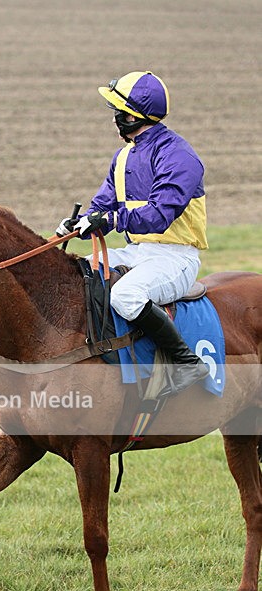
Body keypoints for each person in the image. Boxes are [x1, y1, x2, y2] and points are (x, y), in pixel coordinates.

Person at [57, 70, 209, 394]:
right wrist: (79, 224)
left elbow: (158, 217)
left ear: (133, 115)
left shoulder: (179, 156)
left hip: (176, 257)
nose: (114, 118)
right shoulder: (124, 156)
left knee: (125, 295)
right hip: (140, 253)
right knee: (79, 272)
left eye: (118, 111)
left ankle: (186, 363)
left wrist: (109, 222)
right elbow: (103, 204)